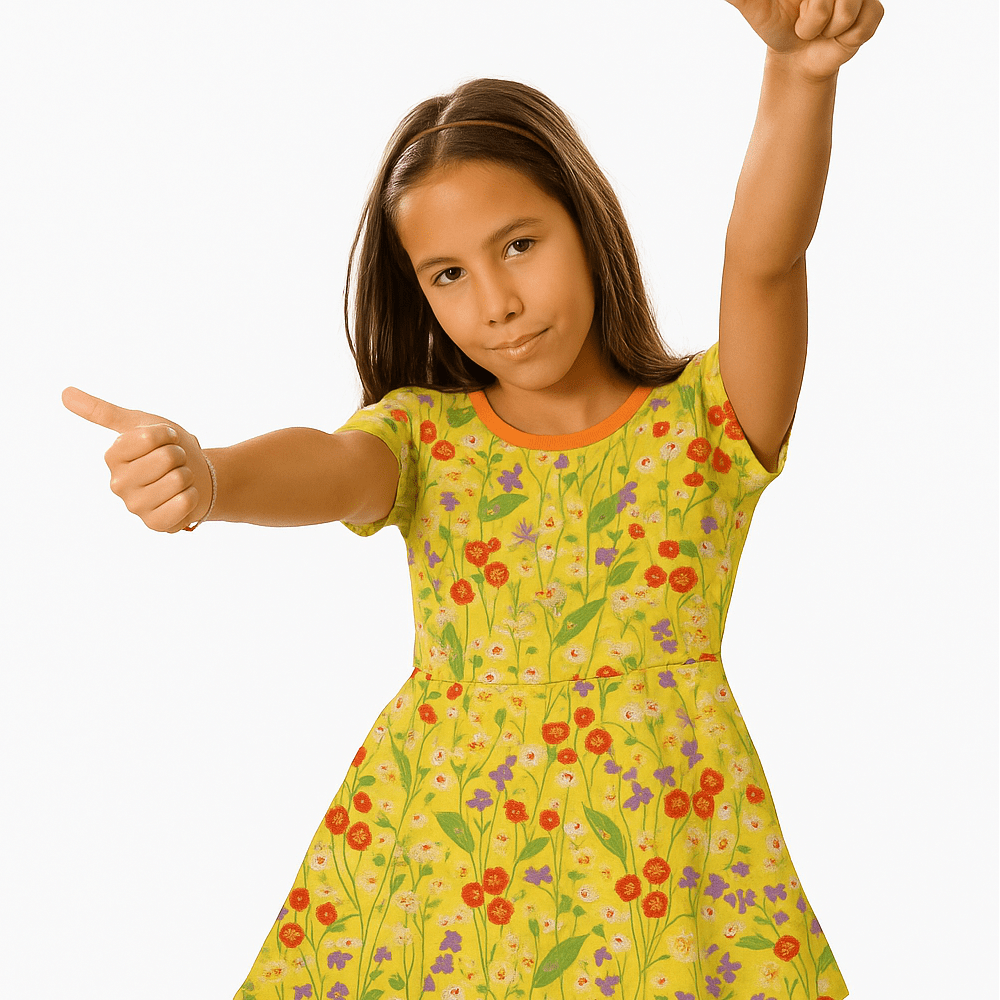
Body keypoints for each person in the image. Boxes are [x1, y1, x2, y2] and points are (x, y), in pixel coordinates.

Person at [62, 3, 883, 997]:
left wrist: (797, 77)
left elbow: (764, 257)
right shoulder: (423, 439)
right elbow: (324, 466)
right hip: (433, 879)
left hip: (662, 871)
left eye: (519, 245)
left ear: (584, 219)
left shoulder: (708, 424)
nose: (493, 300)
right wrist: (211, 476)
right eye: (449, 273)